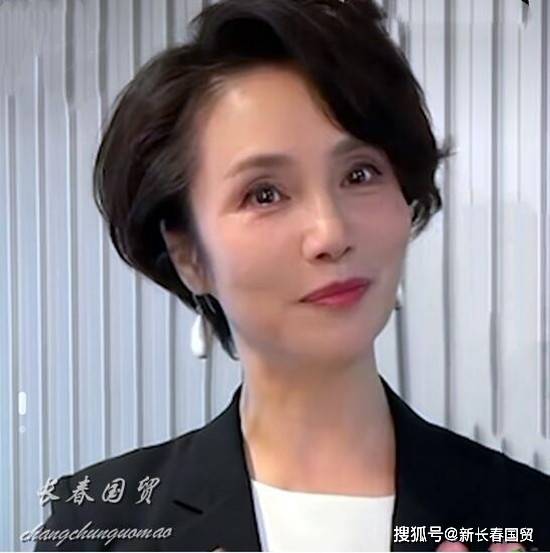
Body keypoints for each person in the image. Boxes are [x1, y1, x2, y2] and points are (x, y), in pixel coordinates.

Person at [34, 0, 550, 551]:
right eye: (264, 194)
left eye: (360, 173)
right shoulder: (97, 526)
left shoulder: (525, 515)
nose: (330, 233)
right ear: (190, 256)